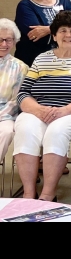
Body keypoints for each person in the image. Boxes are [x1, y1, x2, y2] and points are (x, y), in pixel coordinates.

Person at [14, 11, 71, 201]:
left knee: (56, 132)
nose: (68, 35)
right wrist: (38, 110)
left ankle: (48, 194)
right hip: (39, 110)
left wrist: (63, 111)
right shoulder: (41, 59)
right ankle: (29, 193)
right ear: (54, 35)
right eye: (63, 31)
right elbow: (23, 93)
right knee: (25, 129)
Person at [0, 19, 28, 172]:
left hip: (6, 116)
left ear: (14, 42)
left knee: (6, 131)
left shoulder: (21, 67)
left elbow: (16, 100)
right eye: (0, 39)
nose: (4, 44)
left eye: (8, 40)